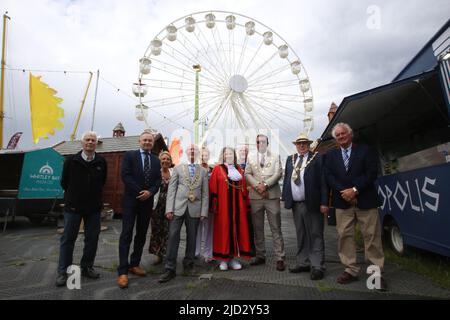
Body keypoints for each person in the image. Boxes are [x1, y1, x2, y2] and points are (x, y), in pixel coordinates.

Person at [324, 122, 386, 290]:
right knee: (344, 237)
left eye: (343, 134)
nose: (341, 137)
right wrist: (343, 191)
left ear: (350, 134)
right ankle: (350, 270)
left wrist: (355, 189)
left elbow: (372, 172)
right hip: (342, 202)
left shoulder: (366, 151)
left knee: (372, 237)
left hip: (366, 199)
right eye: (338, 135)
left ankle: (375, 274)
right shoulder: (330, 156)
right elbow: (329, 176)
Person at [56, 131, 107, 287]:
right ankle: (63, 272)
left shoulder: (101, 162)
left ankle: (86, 267)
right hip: (73, 207)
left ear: (96, 143)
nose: (90, 142)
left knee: (92, 240)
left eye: (93, 140)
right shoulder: (71, 161)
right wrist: (75, 196)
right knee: (68, 240)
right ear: (82, 142)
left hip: (93, 208)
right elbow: (64, 182)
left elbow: (102, 182)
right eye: (87, 140)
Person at [281, 133, 329, 280]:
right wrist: (286, 198)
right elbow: (287, 178)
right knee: (301, 234)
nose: (302, 146)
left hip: (312, 203)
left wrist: (324, 202)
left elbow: (323, 181)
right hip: (296, 204)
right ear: (295, 145)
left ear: (309, 144)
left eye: (304, 143)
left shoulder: (317, 158)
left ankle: (317, 266)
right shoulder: (291, 159)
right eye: (299, 143)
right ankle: (303, 262)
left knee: (315, 234)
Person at [158, 144, 209, 283]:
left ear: (198, 153)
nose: (192, 151)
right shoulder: (178, 168)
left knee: (192, 238)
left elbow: (205, 194)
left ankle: (189, 264)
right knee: (173, 236)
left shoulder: (203, 171)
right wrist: (169, 209)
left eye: (195, 150)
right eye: (190, 149)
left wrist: (204, 211)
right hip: (177, 208)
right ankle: (170, 268)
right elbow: (172, 190)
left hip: (195, 209)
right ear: (186, 152)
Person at [117, 131, 161, 289]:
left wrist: (150, 192)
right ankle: (122, 271)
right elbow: (125, 176)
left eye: (150, 140)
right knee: (126, 234)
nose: (148, 142)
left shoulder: (156, 160)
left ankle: (134, 264)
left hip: (147, 202)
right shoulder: (130, 155)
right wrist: (140, 192)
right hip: (131, 201)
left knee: (141, 235)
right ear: (139, 141)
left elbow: (158, 180)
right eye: (145, 140)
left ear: (153, 143)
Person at [245, 134, 285, 271]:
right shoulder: (250, 157)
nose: (260, 144)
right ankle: (260, 255)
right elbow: (247, 173)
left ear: (267, 143)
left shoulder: (275, 156)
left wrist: (266, 185)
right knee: (258, 228)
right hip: (256, 197)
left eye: (263, 141)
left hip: (272, 196)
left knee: (276, 227)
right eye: (257, 142)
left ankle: (280, 257)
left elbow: (278, 173)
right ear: (255, 144)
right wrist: (258, 186)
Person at [210, 147, 253, 271]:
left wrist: (246, 205)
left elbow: (244, 188)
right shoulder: (217, 169)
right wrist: (214, 206)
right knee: (223, 232)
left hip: (238, 208)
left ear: (234, 156)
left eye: (230, 153)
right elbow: (213, 187)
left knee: (237, 231)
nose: (228, 155)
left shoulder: (239, 169)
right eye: (226, 153)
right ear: (222, 155)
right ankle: (223, 259)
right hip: (223, 208)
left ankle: (233, 258)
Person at [148, 151, 172, 265]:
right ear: (159, 160)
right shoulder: (155, 172)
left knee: (167, 231)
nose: (165, 161)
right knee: (157, 231)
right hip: (157, 205)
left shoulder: (173, 172)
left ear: (170, 161)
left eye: (168, 159)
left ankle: (166, 253)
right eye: (163, 159)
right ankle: (158, 255)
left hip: (169, 206)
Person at [195, 147, 214, 263]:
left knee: (209, 228)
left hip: (210, 202)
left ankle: (208, 252)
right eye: (202, 155)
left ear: (209, 157)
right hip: (197, 202)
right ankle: (195, 251)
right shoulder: (195, 169)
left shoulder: (213, 169)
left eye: (205, 155)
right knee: (196, 228)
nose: (203, 157)